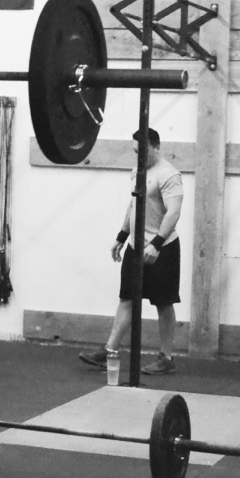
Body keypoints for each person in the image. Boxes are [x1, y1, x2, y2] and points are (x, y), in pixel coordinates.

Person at [80, 127, 183, 375]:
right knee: (126, 298)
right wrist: (122, 236)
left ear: (156, 147)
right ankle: (110, 352)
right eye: (136, 151)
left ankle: (166, 358)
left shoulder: (169, 174)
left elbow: (174, 212)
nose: (139, 156)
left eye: (143, 151)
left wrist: (156, 244)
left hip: (163, 248)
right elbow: (134, 203)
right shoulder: (137, 171)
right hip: (135, 247)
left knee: (164, 303)